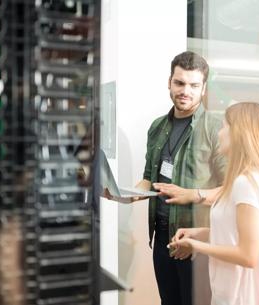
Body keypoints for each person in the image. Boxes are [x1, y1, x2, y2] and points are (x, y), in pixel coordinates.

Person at [106, 51, 226, 305]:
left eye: (194, 85)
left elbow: (231, 189)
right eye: (180, 83)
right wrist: (123, 195)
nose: (186, 91)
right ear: (169, 82)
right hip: (162, 239)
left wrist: (193, 195)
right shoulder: (157, 127)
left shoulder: (216, 129)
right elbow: (149, 180)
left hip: (196, 243)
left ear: (203, 89)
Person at [163, 102, 259, 305]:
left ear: (239, 134)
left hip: (241, 298)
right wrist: (200, 233)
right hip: (231, 294)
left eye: (223, 127)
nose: (219, 133)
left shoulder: (247, 183)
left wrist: (196, 245)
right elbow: (236, 235)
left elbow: (248, 255)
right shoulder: (246, 181)